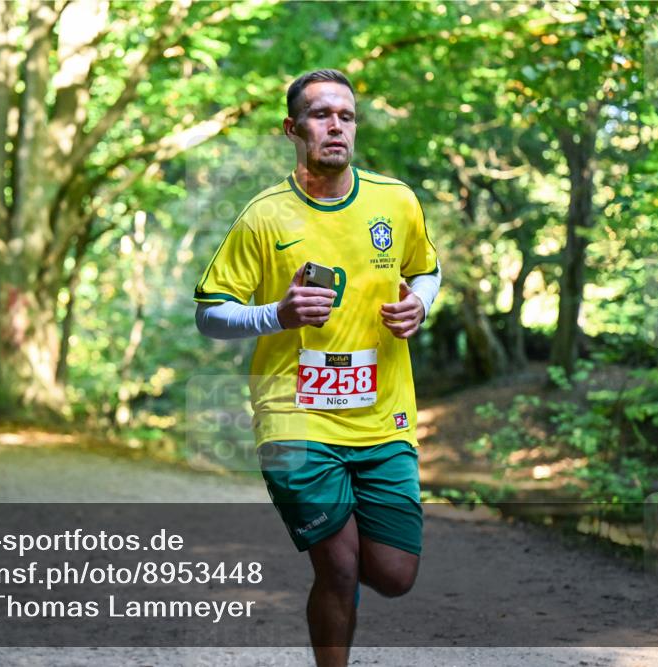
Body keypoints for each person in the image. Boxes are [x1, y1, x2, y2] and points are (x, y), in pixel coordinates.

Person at [193, 69, 441, 667]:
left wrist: (420, 305)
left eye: (347, 116)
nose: (337, 126)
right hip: (294, 415)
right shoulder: (264, 216)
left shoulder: (396, 201)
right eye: (322, 114)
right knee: (340, 564)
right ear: (292, 129)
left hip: (384, 416)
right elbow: (209, 315)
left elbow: (425, 270)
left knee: (393, 574)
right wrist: (274, 315)